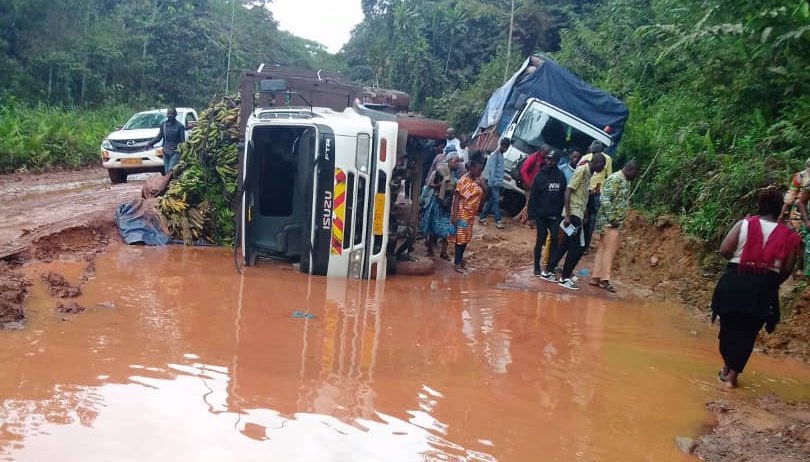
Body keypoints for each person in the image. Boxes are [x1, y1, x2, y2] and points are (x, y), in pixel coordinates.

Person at [712, 186, 798, 388]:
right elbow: (788, 267)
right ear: (780, 211)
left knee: (728, 327)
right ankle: (731, 374)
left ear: (759, 206)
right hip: (763, 288)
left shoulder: (744, 224)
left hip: (734, 281)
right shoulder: (788, 236)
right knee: (748, 333)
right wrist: (771, 280)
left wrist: (738, 261)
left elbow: (724, 249)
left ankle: (727, 369)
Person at [540, 152, 606, 289]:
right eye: (603, 166)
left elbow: (581, 194)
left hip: (578, 213)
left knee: (564, 244)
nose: (603, 169)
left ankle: (548, 271)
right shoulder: (582, 170)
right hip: (573, 215)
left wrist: (586, 211)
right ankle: (564, 278)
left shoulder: (588, 173)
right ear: (598, 163)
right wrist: (568, 216)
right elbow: (568, 191)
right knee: (578, 246)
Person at [588, 161, 640, 292]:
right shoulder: (615, 179)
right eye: (635, 173)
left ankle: (595, 277)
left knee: (603, 250)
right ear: (630, 169)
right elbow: (604, 199)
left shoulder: (625, 181)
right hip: (609, 223)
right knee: (609, 251)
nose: (635, 176)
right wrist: (612, 219)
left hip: (610, 222)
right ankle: (604, 280)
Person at [528, 150, 567, 276]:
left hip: (555, 215)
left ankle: (550, 266)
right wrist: (531, 216)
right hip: (541, 215)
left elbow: (564, 196)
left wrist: (563, 213)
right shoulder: (539, 176)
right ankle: (536, 267)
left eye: (552, 160)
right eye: (548, 159)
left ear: (556, 161)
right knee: (540, 241)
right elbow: (533, 196)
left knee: (555, 239)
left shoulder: (561, 176)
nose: (549, 161)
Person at [421, 154, 461, 260]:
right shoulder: (439, 172)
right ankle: (430, 250)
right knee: (433, 228)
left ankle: (443, 252)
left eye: (457, 161)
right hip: (437, 202)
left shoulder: (453, 175)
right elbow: (429, 184)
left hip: (447, 204)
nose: (457, 163)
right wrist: (439, 186)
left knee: (447, 229)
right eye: (455, 161)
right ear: (449, 161)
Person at [451, 154, 486, 273]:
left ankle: (460, 260)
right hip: (463, 213)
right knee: (460, 238)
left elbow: (486, 193)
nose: (479, 172)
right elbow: (456, 198)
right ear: (471, 168)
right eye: (478, 169)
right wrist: (454, 215)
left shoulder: (478, 181)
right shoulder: (463, 181)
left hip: (471, 214)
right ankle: (457, 262)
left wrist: (482, 184)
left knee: (466, 238)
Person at [578, 142, 613, 251]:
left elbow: (609, 178)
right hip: (591, 192)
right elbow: (609, 177)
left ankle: (582, 244)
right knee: (590, 219)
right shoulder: (606, 159)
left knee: (584, 217)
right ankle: (584, 245)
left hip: (594, 193)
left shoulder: (587, 157)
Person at [479, 137, 508, 229]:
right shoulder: (494, 155)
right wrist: (492, 184)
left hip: (497, 183)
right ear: (502, 146)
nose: (506, 149)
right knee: (496, 202)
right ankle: (498, 220)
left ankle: (482, 217)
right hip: (493, 183)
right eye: (505, 147)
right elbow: (491, 171)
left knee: (491, 201)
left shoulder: (500, 155)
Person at [147, 108, 186, 175]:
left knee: (170, 171)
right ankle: (169, 185)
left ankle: (170, 184)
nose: (170, 115)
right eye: (168, 113)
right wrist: (150, 143)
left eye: (172, 113)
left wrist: (182, 153)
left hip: (175, 152)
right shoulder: (163, 125)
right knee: (166, 172)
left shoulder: (180, 126)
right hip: (165, 151)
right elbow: (159, 136)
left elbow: (182, 142)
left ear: (175, 115)